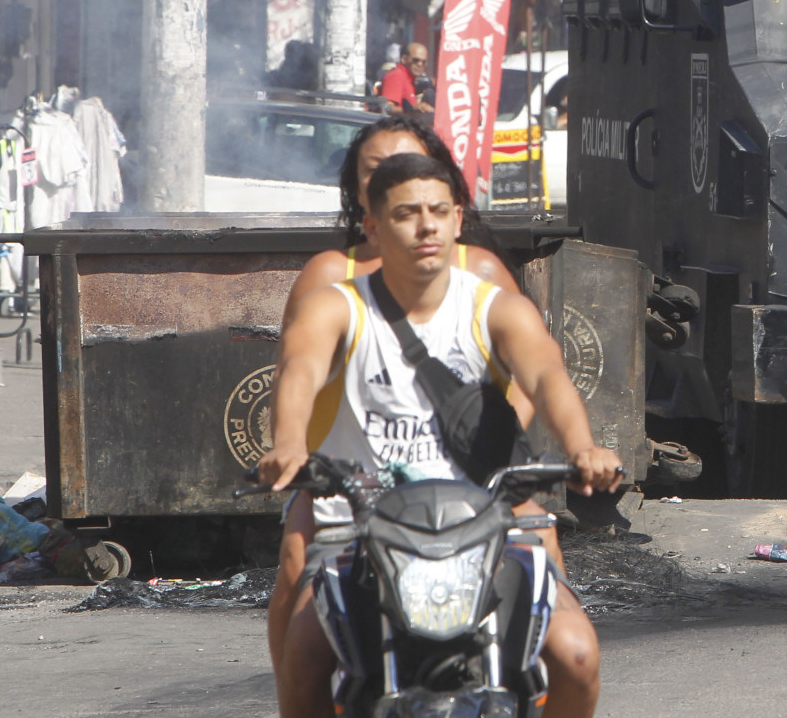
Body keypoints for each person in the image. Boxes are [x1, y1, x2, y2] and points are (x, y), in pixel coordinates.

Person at [261, 153, 623, 718]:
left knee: (576, 657)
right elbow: (300, 371)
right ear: (374, 226)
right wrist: (289, 443)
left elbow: (548, 376)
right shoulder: (337, 307)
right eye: (406, 213)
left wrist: (583, 449)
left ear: (458, 219)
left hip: (487, 528)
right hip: (360, 530)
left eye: (438, 211)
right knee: (304, 658)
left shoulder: (495, 307)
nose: (426, 226)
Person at [265, 114, 528, 674]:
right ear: (360, 194)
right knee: (294, 568)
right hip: (349, 485)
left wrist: (502, 447)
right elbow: (296, 376)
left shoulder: (479, 270)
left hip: (474, 481)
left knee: (563, 625)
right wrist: (292, 451)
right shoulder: (330, 276)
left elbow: (532, 378)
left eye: (411, 166)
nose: (396, 176)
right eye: (376, 171)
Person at [378, 41, 434, 113]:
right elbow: (386, 108)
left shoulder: (409, 79)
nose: (420, 64)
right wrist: (414, 108)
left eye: (424, 62)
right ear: (404, 59)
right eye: (415, 60)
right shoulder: (396, 76)